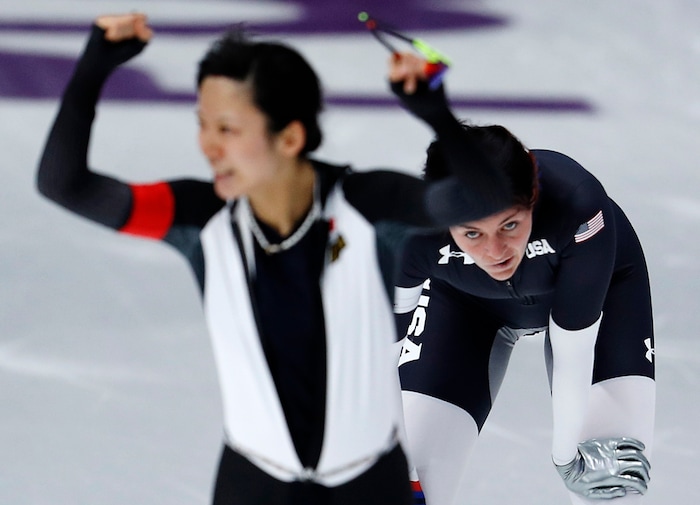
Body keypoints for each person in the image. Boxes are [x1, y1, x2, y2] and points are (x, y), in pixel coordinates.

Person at [35, 13, 498, 505]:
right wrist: (93, 67)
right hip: (252, 485)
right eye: (203, 125)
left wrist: (436, 114)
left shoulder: (369, 204)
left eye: (228, 128)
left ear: (291, 138)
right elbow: (64, 184)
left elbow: (479, 200)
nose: (208, 146)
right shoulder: (197, 219)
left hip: (368, 486)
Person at [390, 53, 656, 504]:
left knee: (610, 483)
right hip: (464, 305)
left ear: (533, 196)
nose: (494, 252)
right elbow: (382, 349)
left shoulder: (576, 202)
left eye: (509, 226)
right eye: (471, 234)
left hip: (600, 294)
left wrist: (565, 458)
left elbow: (575, 347)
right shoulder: (414, 234)